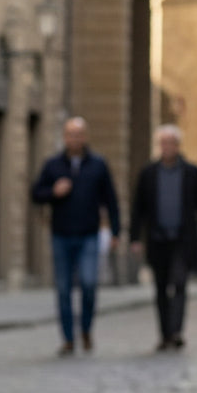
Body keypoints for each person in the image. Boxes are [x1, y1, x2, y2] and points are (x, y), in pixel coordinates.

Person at [31, 117, 121, 356]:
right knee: (63, 289)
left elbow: (111, 200)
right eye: (70, 134)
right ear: (64, 137)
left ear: (85, 137)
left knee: (89, 284)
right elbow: (36, 194)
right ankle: (69, 338)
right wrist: (53, 191)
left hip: (89, 235)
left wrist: (115, 231)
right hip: (61, 235)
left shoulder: (98, 165)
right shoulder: (53, 165)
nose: (75, 139)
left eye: (79, 134)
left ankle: (86, 329)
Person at [129, 125, 197, 350]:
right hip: (157, 240)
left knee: (178, 283)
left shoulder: (191, 172)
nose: (167, 147)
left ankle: (176, 331)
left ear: (177, 146)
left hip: (182, 239)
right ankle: (164, 333)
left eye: (171, 143)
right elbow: (139, 207)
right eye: (163, 143)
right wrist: (135, 238)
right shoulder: (148, 173)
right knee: (160, 288)